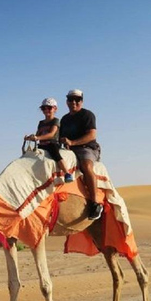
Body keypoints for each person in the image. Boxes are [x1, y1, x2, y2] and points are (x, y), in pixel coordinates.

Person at [59, 89, 103, 220]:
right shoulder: (65, 119)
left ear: (81, 101)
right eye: (71, 99)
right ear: (67, 101)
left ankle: (96, 204)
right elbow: (59, 137)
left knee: (86, 165)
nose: (73, 102)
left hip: (87, 148)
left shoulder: (87, 115)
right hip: (69, 150)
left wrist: (72, 142)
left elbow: (91, 135)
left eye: (77, 99)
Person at [25, 97, 73, 183]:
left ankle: (67, 173)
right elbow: (38, 134)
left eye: (49, 108)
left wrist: (37, 138)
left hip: (52, 144)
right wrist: (30, 138)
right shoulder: (41, 123)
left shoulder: (55, 121)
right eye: (44, 108)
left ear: (55, 109)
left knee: (56, 156)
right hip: (41, 145)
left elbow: (51, 134)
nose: (46, 110)